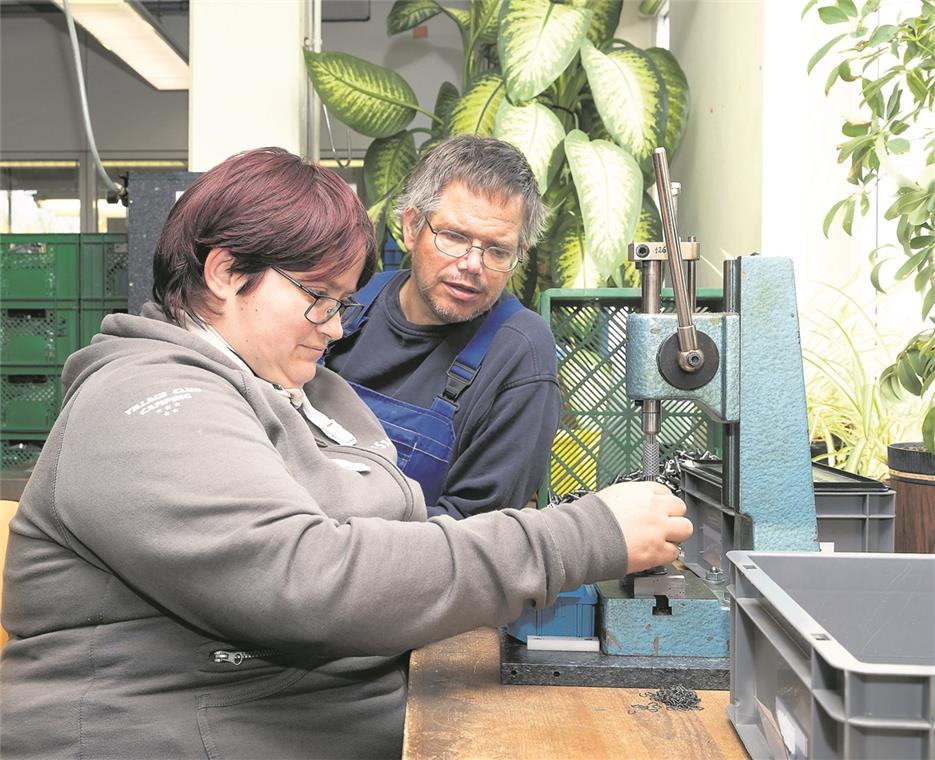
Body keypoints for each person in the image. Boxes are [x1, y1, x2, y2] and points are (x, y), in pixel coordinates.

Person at [0, 147, 692, 760]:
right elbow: (309, 578)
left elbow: (400, 531)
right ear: (224, 271)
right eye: (318, 299)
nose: (335, 327)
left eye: (340, 301)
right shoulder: (147, 402)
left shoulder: (303, 388)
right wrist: (584, 534)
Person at [325, 135, 559, 519]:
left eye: (497, 249)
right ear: (412, 227)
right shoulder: (350, 301)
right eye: (455, 236)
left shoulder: (519, 352)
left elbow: (480, 537)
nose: (472, 264)